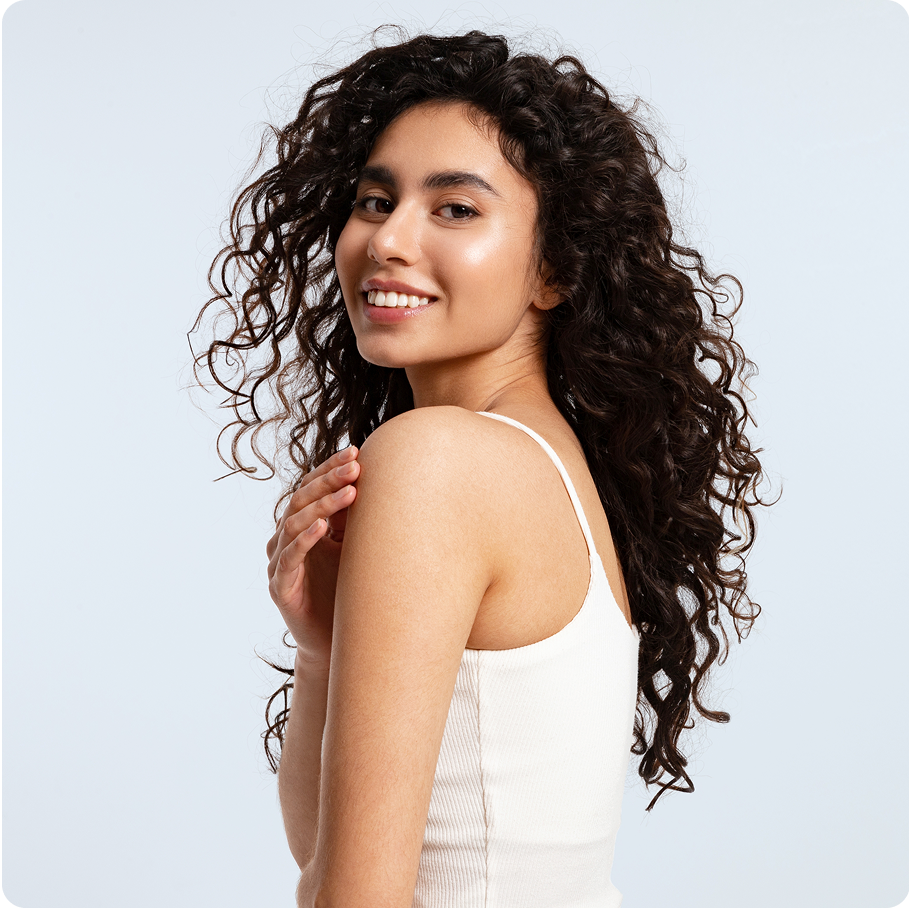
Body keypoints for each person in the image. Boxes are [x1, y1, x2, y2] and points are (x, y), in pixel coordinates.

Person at [192, 28, 768, 908]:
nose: (388, 239)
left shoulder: (439, 459)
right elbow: (328, 857)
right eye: (374, 200)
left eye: (454, 208)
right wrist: (321, 648)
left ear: (554, 269)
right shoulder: (538, 457)